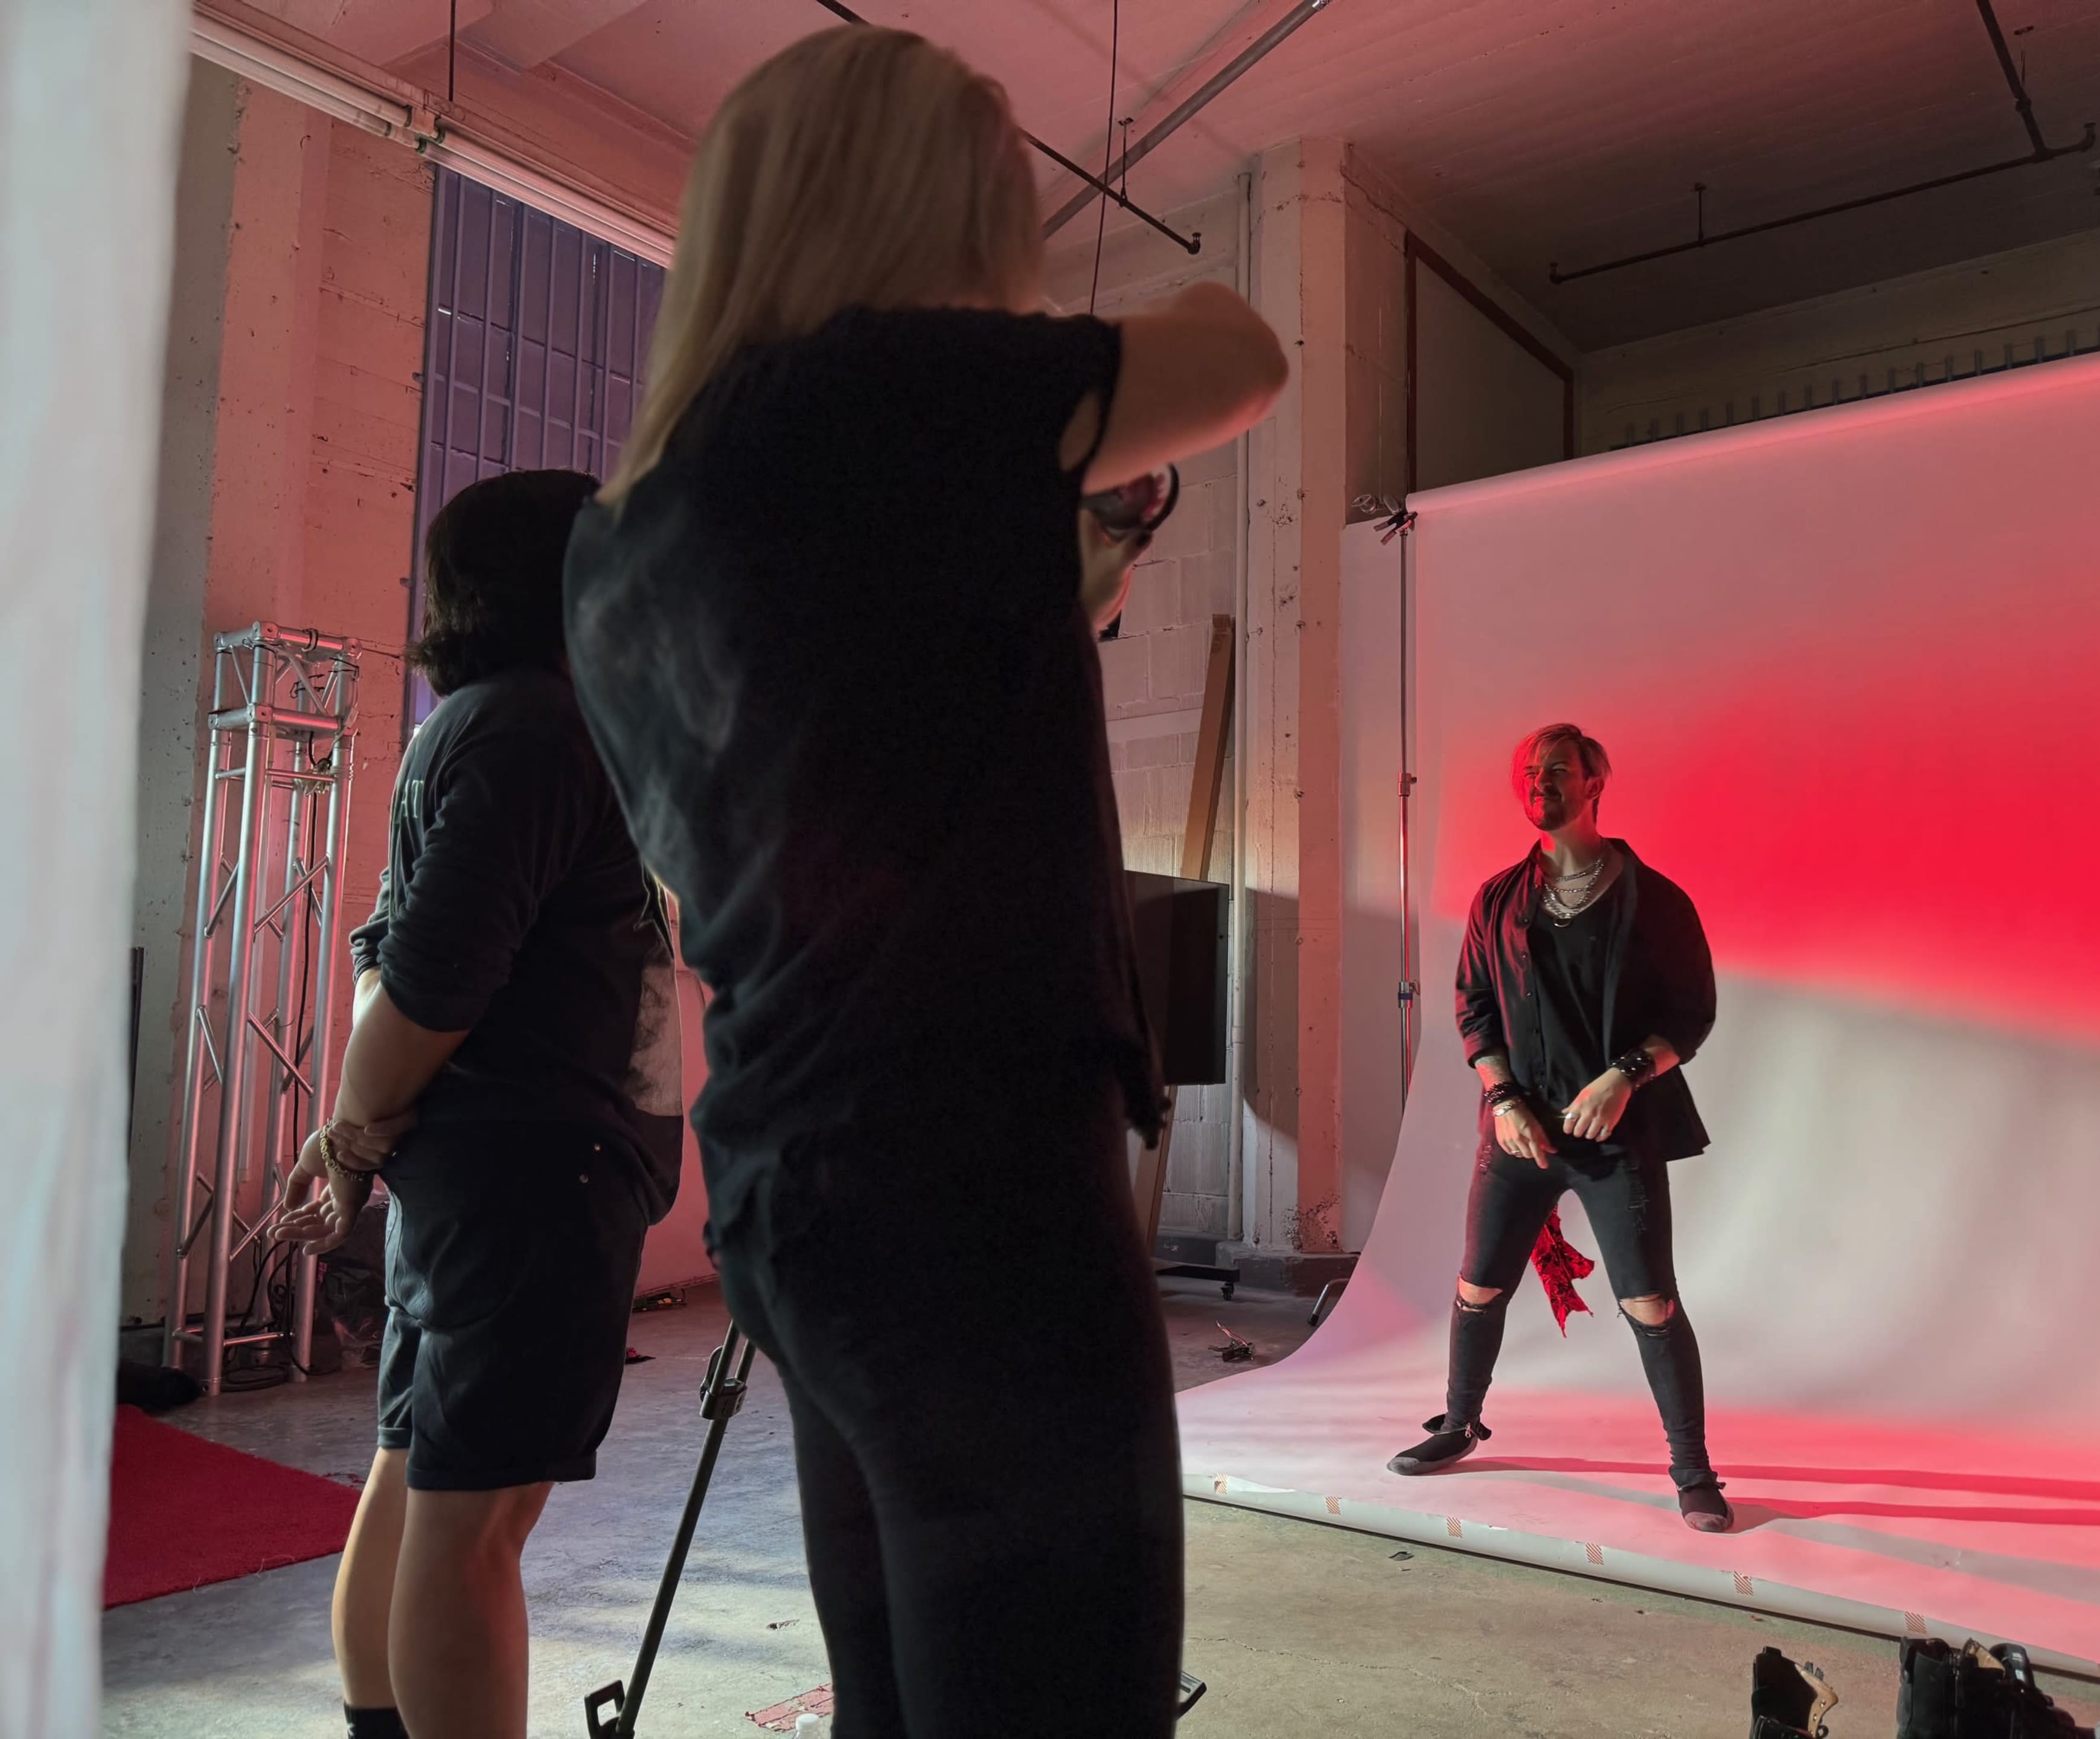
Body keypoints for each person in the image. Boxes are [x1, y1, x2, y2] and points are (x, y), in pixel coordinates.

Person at [560, 26, 1285, 1739]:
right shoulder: (888, 389)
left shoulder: (622, 538)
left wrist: (1040, 564)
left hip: (791, 1185)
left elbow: (770, 807)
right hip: (982, 1188)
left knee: (908, 1697)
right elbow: (1241, 351)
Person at [279, 469, 683, 1739]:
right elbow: (427, 983)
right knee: (476, 1525)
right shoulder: (532, 732)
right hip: (527, 1184)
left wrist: (360, 1137)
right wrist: (350, 1137)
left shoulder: (488, 725)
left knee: (422, 1480)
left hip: (489, 1180)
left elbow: (389, 952)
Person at [1386, 723, 1734, 1533]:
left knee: (1649, 1302)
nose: (1538, 782)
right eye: (1528, 773)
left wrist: (1624, 1077)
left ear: (1593, 784)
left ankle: (1694, 1471)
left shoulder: (1656, 899)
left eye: (1555, 771)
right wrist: (1504, 1100)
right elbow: (1473, 1006)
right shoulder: (1498, 898)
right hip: (1518, 1135)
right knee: (1479, 1287)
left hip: (1615, 1139)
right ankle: (1460, 1424)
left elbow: (1694, 1013)